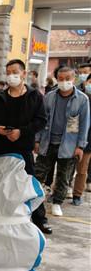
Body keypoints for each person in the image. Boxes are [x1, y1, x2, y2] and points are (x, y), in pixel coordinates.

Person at [0, 59, 50, 234]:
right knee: (1, 184)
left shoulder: (35, 96)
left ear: (24, 73)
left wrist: (21, 132)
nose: (11, 76)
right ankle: (1, 218)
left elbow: (41, 120)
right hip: (1, 147)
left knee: (29, 183)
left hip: (23, 147)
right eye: (8, 73)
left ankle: (40, 219)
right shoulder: (0, 96)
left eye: (15, 72)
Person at [35, 64, 89, 218]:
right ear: (56, 79)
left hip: (69, 145)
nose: (64, 82)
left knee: (63, 176)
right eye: (60, 78)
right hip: (47, 142)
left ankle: (57, 202)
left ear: (74, 79)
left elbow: (84, 125)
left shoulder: (82, 100)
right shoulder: (49, 97)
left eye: (67, 78)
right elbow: (41, 120)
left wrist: (80, 146)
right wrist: (37, 140)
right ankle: (34, 200)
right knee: (39, 172)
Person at [73, 71, 91, 205]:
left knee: (82, 169)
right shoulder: (78, 97)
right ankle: (61, 190)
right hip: (72, 138)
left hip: (88, 141)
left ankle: (77, 194)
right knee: (66, 167)